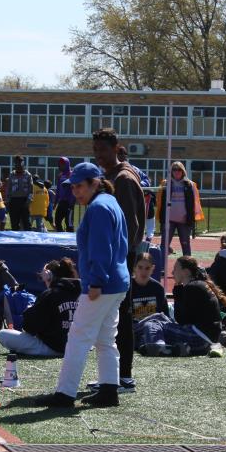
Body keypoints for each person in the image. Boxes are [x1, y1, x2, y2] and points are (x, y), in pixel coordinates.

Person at [34, 162, 128, 408]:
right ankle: (109, 390)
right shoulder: (110, 202)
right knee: (106, 339)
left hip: (102, 284)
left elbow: (101, 249)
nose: (75, 191)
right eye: (72, 187)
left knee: (78, 338)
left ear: (94, 183)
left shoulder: (98, 208)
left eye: (79, 186)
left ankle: (65, 394)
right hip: (116, 282)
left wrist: (95, 281)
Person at [93, 127, 145, 395]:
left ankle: (124, 377)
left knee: (121, 317)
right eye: (95, 150)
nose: (98, 155)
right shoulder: (110, 176)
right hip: (116, 257)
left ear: (116, 148)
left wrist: (117, 259)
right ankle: (111, 375)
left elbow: (130, 227)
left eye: (103, 150)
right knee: (111, 318)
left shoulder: (123, 179)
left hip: (120, 258)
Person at [0, 258, 81, 357]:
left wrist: (29, 311)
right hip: (77, 347)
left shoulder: (50, 294)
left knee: (3, 334)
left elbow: (29, 327)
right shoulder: (81, 293)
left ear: (48, 275)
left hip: (53, 348)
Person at [172, 256, 226, 343]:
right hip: (211, 335)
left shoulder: (191, 288)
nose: (172, 272)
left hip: (201, 337)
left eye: (175, 269)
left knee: (158, 323)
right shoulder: (200, 285)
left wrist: (177, 290)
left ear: (186, 271)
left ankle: (158, 346)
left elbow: (181, 320)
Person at [156, 161, 200, 256]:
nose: (177, 172)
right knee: (164, 245)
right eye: (174, 169)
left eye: (179, 169)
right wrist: (162, 218)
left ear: (183, 171)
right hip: (168, 220)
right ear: (171, 171)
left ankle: (188, 264)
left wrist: (193, 218)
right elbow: (159, 201)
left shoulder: (190, 185)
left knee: (185, 244)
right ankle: (162, 264)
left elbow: (195, 203)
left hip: (184, 221)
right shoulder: (165, 184)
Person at [130, 252, 167, 322]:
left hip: (154, 325)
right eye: (140, 267)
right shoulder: (127, 288)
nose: (143, 271)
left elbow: (165, 315)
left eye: (147, 268)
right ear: (134, 268)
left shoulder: (158, 288)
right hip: (132, 326)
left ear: (152, 268)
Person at [6, 155, 33, 230]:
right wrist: (8, 201)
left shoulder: (28, 175)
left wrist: (28, 201)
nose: (18, 165)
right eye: (16, 163)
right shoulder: (11, 174)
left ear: (23, 163)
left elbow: (31, 190)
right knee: (14, 223)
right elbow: (9, 188)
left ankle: (28, 237)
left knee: (26, 223)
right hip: (13, 201)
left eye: (20, 163)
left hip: (24, 201)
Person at [54, 158, 76, 232]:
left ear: (66, 164)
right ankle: (61, 236)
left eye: (62, 164)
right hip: (61, 202)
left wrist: (72, 202)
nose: (59, 166)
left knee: (69, 223)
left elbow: (74, 189)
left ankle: (70, 237)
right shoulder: (60, 176)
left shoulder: (72, 174)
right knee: (57, 220)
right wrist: (55, 202)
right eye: (59, 164)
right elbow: (58, 190)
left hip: (69, 203)